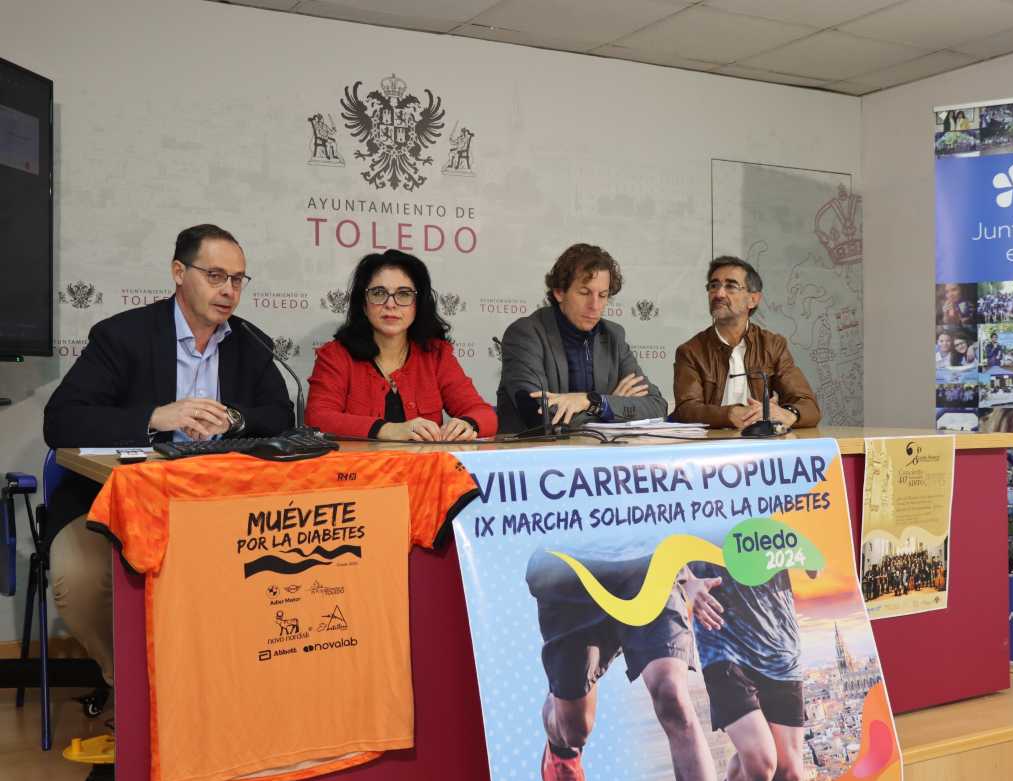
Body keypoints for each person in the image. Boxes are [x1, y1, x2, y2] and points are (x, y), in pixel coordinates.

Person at [42, 224, 294, 686]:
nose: (228, 291)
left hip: (217, 507)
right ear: (179, 272)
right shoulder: (123, 336)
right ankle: (131, 686)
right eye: (215, 275)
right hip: (116, 503)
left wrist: (235, 419)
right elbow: (60, 422)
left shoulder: (250, 342)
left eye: (238, 279)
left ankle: (226, 685)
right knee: (79, 580)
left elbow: (282, 415)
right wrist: (156, 416)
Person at [526, 542, 717, 781]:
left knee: (671, 693)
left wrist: (688, 573)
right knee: (575, 729)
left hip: (645, 565)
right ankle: (561, 748)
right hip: (567, 573)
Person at [306, 250, 496, 440]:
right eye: (379, 293)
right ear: (363, 304)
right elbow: (318, 418)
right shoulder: (335, 355)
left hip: (424, 468)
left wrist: (468, 424)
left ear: (418, 304)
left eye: (403, 294)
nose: (391, 304)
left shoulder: (436, 355)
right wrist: (388, 430)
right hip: (358, 468)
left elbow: (484, 414)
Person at [496, 243, 666, 433]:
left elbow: (657, 406)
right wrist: (607, 407)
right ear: (559, 292)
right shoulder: (525, 334)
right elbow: (540, 416)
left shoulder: (613, 337)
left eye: (602, 295)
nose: (595, 305)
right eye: (584, 293)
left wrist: (595, 401)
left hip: (597, 456)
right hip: (532, 457)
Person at [684, 562, 806, 781]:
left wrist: (809, 554)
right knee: (759, 770)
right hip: (722, 640)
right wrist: (686, 579)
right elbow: (653, 534)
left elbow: (806, 539)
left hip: (780, 643)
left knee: (791, 776)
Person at [673, 256, 820, 430]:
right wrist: (728, 415)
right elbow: (686, 410)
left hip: (761, 448)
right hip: (710, 448)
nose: (719, 294)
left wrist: (786, 413)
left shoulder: (772, 345)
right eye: (714, 286)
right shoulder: (691, 351)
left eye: (731, 286)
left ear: (753, 299)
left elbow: (808, 405)